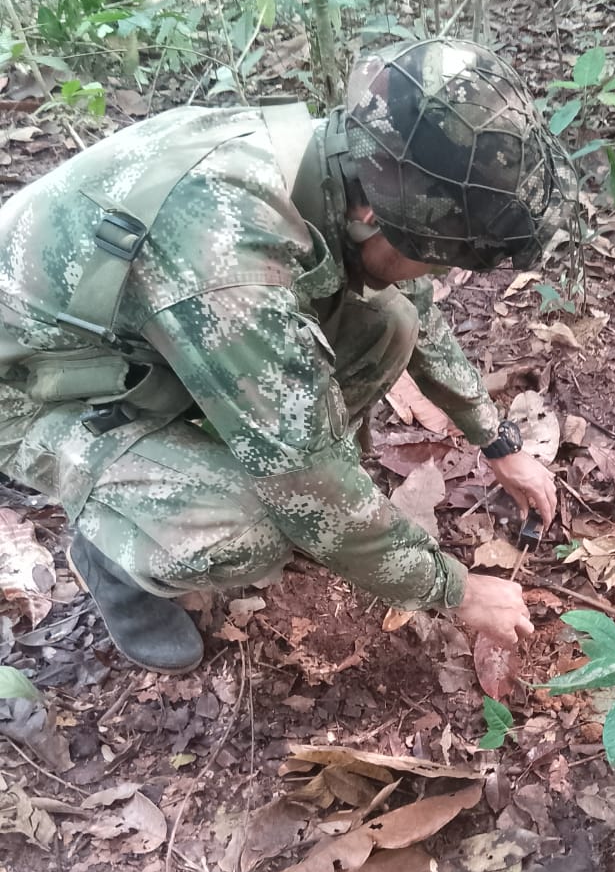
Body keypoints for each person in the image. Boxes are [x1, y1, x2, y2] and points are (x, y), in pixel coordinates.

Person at [0, 38, 577, 675]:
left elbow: (416, 302)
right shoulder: (231, 261)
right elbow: (307, 484)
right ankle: (113, 558)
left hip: (140, 341)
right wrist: (458, 590)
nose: (438, 269)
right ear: (370, 214)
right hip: (36, 390)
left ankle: (278, 480)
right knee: (259, 524)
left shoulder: (335, 165)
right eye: (439, 251)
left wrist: (498, 442)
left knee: (390, 320)